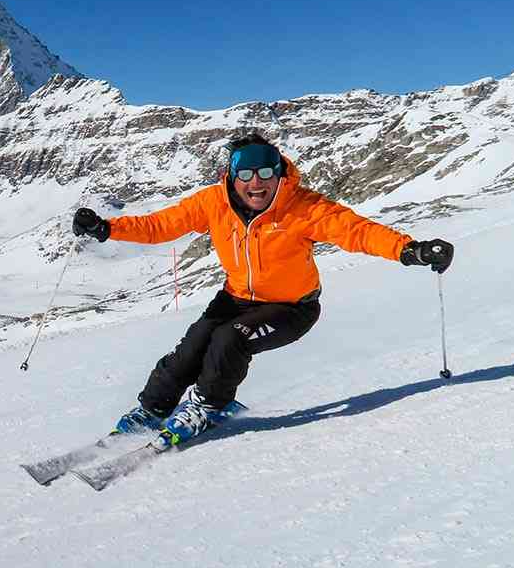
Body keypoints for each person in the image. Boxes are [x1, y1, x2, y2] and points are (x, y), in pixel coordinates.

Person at [72, 133, 454, 446]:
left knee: (229, 340)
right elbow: (161, 225)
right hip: (236, 297)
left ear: (280, 175)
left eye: (267, 172)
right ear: (232, 177)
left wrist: (409, 250)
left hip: (291, 307)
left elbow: (355, 231)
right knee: (193, 346)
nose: (257, 182)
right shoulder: (213, 203)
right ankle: (153, 408)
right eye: (247, 173)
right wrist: (108, 228)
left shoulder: (302, 207)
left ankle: (207, 406)